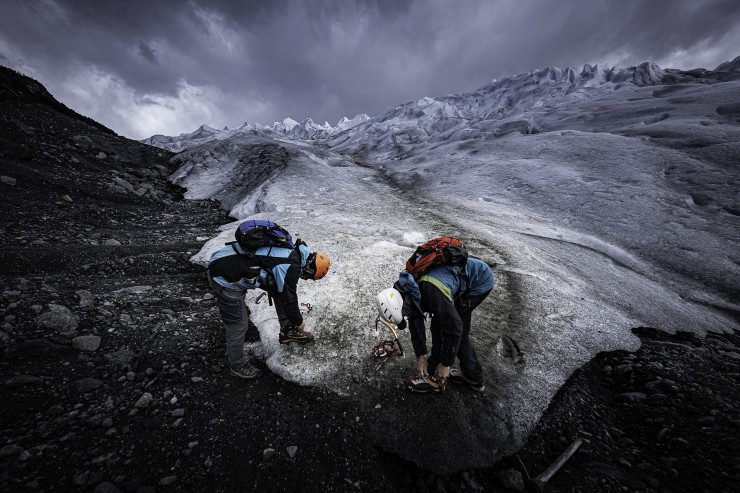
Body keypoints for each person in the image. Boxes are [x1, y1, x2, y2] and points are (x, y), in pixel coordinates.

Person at [207, 229, 330, 380]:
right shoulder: (291, 265)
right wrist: (299, 322)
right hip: (224, 277)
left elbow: (282, 290)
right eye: (308, 276)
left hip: (226, 261)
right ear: (310, 269)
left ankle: (287, 331)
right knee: (238, 325)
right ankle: (237, 365)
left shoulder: (292, 253)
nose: (304, 278)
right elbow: (290, 299)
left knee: (280, 290)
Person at [395, 255, 494, 393]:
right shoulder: (407, 292)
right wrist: (420, 355)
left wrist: (445, 363)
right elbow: (415, 321)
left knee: (446, 328)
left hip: (479, 281)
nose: (406, 316)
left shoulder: (431, 293)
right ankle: (473, 377)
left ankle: (435, 378)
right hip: (462, 278)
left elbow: (454, 328)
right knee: (449, 327)